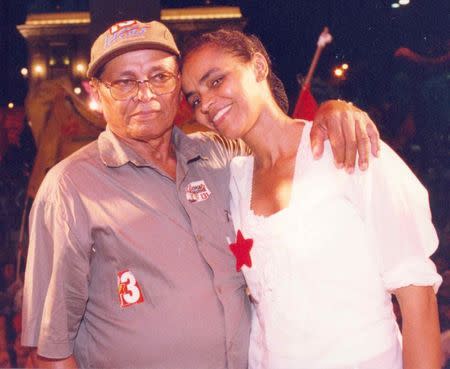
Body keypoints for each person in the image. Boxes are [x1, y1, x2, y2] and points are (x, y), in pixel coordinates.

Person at [21, 20, 381, 369]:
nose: (145, 95)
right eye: (125, 81)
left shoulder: (221, 156)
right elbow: (53, 350)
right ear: (97, 91)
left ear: (178, 84)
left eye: (159, 77)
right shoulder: (70, 188)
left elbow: (282, 146)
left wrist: (333, 112)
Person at [181, 29, 443, 369]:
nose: (207, 105)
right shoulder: (233, 180)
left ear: (258, 67)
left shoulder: (346, 148)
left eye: (215, 81)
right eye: (195, 99)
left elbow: (418, 301)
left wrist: (339, 108)